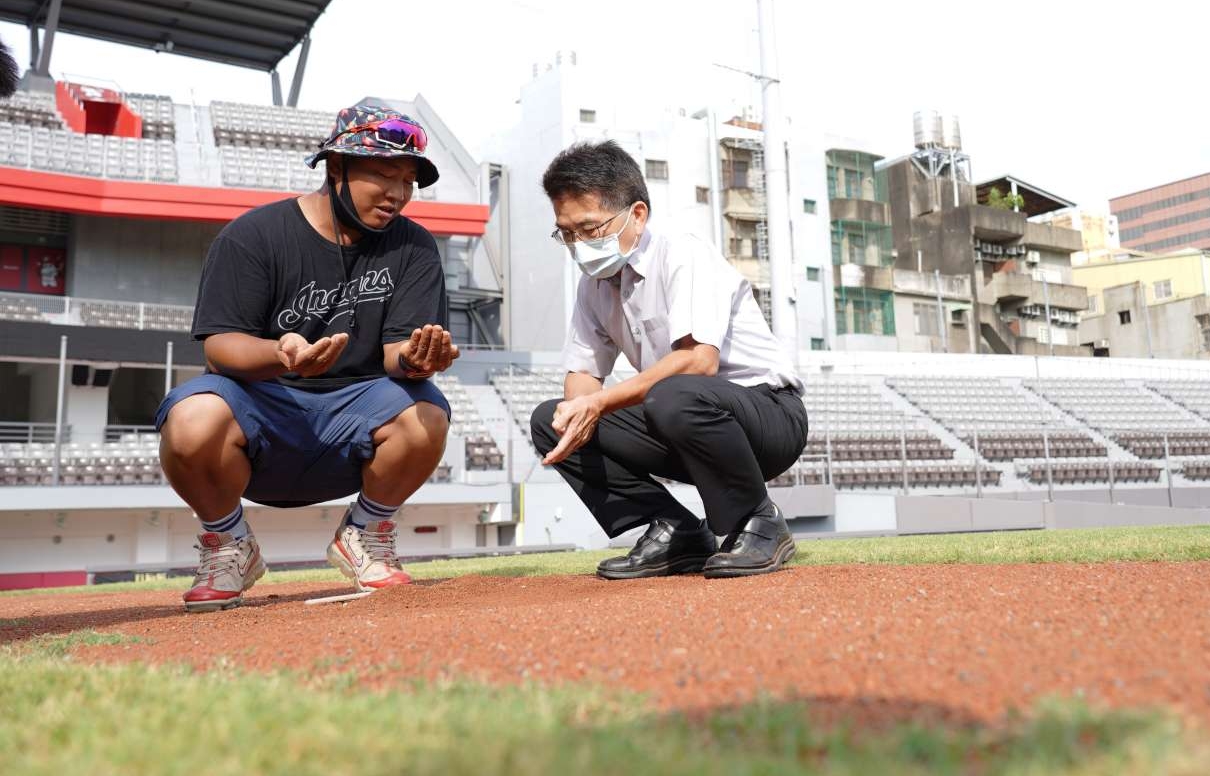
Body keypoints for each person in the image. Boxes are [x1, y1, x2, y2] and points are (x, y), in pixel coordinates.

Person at [155, 104, 460, 612]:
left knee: (427, 412)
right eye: (384, 175)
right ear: (335, 168)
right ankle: (229, 544)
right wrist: (283, 354)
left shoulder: (415, 246)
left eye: (408, 181)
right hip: (264, 403)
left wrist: (418, 359)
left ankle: (366, 533)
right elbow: (219, 345)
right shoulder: (255, 234)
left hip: (354, 412)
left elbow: (394, 355)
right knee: (190, 419)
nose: (398, 194)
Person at [531, 140, 807, 579]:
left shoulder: (683, 251)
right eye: (566, 233)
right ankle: (676, 531)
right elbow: (583, 374)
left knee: (674, 393)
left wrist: (599, 404)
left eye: (589, 228)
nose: (579, 244)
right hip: (683, 419)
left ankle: (759, 522)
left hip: (767, 416)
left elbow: (699, 362)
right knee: (551, 419)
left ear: (636, 214)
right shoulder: (593, 287)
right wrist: (577, 411)